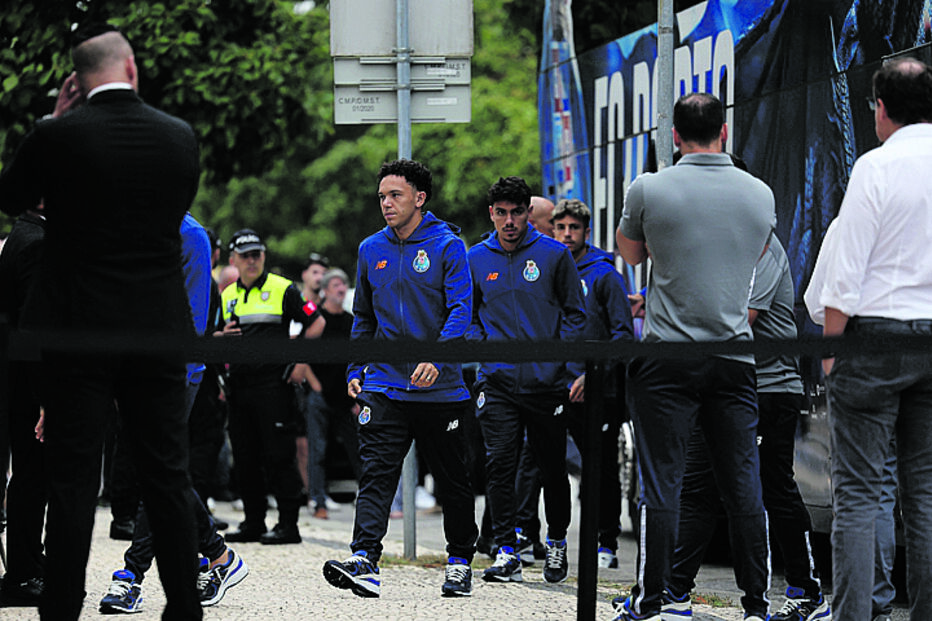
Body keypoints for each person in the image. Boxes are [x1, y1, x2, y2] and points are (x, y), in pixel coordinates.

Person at [0, 23, 203, 620]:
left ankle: (60, 607)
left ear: (77, 83)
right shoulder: (178, 138)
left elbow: (13, 195)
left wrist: (53, 122)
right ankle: (184, 607)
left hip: (77, 331)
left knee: (72, 481)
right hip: (156, 328)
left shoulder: (59, 136)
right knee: (166, 473)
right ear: (132, 70)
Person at [614, 92, 775, 621]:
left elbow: (631, 254)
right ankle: (756, 605)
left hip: (667, 355)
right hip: (734, 358)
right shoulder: (760, 194)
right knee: (743, 483)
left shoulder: (649, 188)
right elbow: (747, 258)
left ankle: (653, 601)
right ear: (724, 132)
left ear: (675, 136)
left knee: (662, 482)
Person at [803, 57, 932, 621]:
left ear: (880, 108)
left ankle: (857, 614)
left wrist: (832, 352)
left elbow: (844, 272)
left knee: (858, 491)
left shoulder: (874, 169)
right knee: (926, 492)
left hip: (873, 341)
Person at [322, 158, 478, 598]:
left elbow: (461, 312)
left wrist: (437, 356)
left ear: (419, 198)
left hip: (441, 387)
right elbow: (364, 317)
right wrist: (356, 368)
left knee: (452, 479)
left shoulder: (448, 247)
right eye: (382, 198)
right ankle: (365, 559)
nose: (386, 204)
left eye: (395, 196)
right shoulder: (371, 249)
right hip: (385, 384)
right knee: (375, 474)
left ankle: (460, 560)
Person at [665, 236, 830, 621]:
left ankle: (806, 592)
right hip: (722, 385)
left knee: (771, 489)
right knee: (697, 487)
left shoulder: (762, 247)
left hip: (769, 388)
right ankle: (676, 591)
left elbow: (741, 318)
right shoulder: (715, 246)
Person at [98, 213, 248, 614]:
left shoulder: (190, 235)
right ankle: (217, 556)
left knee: (156, 473)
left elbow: (194, 318)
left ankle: (131, 576)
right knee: (163, 474)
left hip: (175, 374)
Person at [467, 175, 586, 585]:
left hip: (545, 384)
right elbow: (468, 316)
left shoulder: (554, 255)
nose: (510, 221)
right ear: (492, 214)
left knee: (552, 470)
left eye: (517, 212)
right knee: (500, 466)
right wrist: (486, 355)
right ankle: (505, 550)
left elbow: (575, 314)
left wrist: (562, 366)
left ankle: (555, 540)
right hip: (497, 385)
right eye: (501, 213)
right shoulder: (476, 257)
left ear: (529, 214)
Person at [216, 228, 324, 545]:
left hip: (273, 387)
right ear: (233, 259)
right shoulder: (227, 294)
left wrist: (301, 362)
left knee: (279, 456)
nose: (252, 261)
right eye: (245, 256)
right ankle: (253, 522)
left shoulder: (282, 288)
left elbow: (317, 322)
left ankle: (288, 525)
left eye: (257, 255)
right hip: (239, 387)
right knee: (246, 458)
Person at [552, 198, 634, 569]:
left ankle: (607, 543)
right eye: (561, 228)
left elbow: (622, 336)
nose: (567, 234)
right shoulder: (549, 272)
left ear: (586, 232)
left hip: (600, 390)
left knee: (601, 469)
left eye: (574, 228)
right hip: (556, 386)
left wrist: (593, 375)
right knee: (549, 467)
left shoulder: (605, 276)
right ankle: (544, 541)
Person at [0, 204, 47, 607]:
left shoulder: (24, 234)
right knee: (33, 477)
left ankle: (28, 565)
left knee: (29, 478)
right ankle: (23, 573)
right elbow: (33, 327)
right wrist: (47, 397)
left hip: (17, 378)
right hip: (29, 383)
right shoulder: (36, 243)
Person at [304, 267, 361, 519]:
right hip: (320, 395)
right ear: (325, 290)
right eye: (336, 285)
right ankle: (318, 502)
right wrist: (314, 385)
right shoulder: (317, 319)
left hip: (346, 397)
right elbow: (301, 355)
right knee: (318, 450)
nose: (340, 289)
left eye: (343, 284)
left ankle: (368, 501)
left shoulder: (352, 321)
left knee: (358, 449)